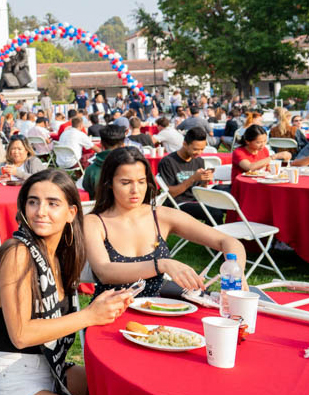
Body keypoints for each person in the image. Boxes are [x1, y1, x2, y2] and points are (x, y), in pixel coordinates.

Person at [0, 169, 131, 395]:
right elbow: (21, 335)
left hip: (51, 368)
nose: (40, 212)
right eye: (33, 202)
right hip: (12, 376)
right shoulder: (17, 253)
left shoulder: (57, 256)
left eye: (52, 204)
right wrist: (89, 315)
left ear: (71, 212)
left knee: (112, 384)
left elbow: (106, 269)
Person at [84, 147, 248, 298]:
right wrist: (160, 265)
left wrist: (237, 273)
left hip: (158, 311)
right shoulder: (94, 222)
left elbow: (228, 241)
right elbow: (104, 271)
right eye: (125, 183)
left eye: (141, 182)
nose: (136, 190)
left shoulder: (160, 215)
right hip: (109, 312)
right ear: (109, 184)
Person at [156, 128, 224, 223]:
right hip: (177, 204)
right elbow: (170, 194)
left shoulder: (199, 160)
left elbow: (200, 189)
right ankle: (211, 237)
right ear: (184, 144)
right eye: (196, 149)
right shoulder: (168, 162)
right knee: (215, 213)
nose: (199, 153)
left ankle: (208, 236)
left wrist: (205, 181)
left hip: (196, 199)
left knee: (225, 205)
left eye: (202, 149)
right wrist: (192, 179)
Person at [82, 125, 126, 198]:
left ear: (101, 144)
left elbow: (89, 193)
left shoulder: (91, 170)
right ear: (123, 145)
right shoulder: (131, 167)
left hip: (99, 207)